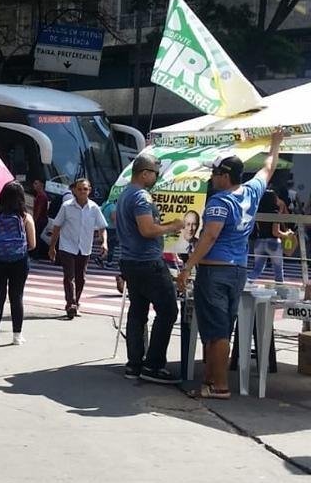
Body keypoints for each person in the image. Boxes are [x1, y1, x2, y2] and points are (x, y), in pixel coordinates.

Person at [178, 132, 283, 399]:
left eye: (214, 173)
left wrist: (188, 265)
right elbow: (268, 167)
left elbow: (210, 236)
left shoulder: (219, 201)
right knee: (221, 327)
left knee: (217, 330)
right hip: (238, 269)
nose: (211, 178)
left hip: (214, 270)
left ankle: (220, 386)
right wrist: (276, 142)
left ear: (225, 175)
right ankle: (210, 380)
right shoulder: (251, 191)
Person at [115, 153, 184, 384]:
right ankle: (153, 365)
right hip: (147, 261)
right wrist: (172, 226)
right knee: (168, 310)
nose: (156, 177)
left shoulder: (126, 195)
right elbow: (146, 230)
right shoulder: (142, 197)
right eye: (154, 173)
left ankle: (134, 364)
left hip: (130, 261)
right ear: (144, 173)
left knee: (138, 311)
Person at [0, 182, 35, 346]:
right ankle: (17, 336)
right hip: (20, 262)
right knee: (17, 297)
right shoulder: (26, 216)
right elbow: (33, 244)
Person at [48, 178, 108, 319]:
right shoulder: (67, 206)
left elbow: (102, 227)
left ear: (89, 191)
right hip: (67, 246)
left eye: (85, 189)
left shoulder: (94, 208)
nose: (82, 192)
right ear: (74, 190)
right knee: (69, 276)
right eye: (79, 189)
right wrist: (52, 247)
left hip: (85, 247)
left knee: (81, 278)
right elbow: (57, 227)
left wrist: (104, 242)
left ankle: (76, 302)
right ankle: (71, 304)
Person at [248, 188, 293, 283]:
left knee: (257, 269)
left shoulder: (258, 213)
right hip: (273, 242)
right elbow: (275, 232)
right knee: (278, 270)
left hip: (259, 242)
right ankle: (280, 292)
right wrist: (287, 234)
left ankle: (246, 283)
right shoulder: (275, 213)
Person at [29, 178, 50, 259]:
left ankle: (36, 255)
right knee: (37, 236)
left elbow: (39, 209)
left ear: (41, 185)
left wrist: (34, 220)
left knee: (36, 237)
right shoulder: (40, 195)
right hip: (41, 219)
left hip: (40, 220)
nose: (34, 185)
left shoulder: (41, 196)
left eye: (36, 183)